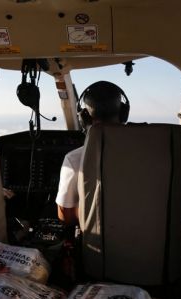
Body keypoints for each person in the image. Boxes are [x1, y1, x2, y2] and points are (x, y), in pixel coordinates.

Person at [55, 81, 129, 226]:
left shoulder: (74, 159)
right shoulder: (149, 153)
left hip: (97, 244)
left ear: (84, 118)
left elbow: (65, 215)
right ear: (123, 113)